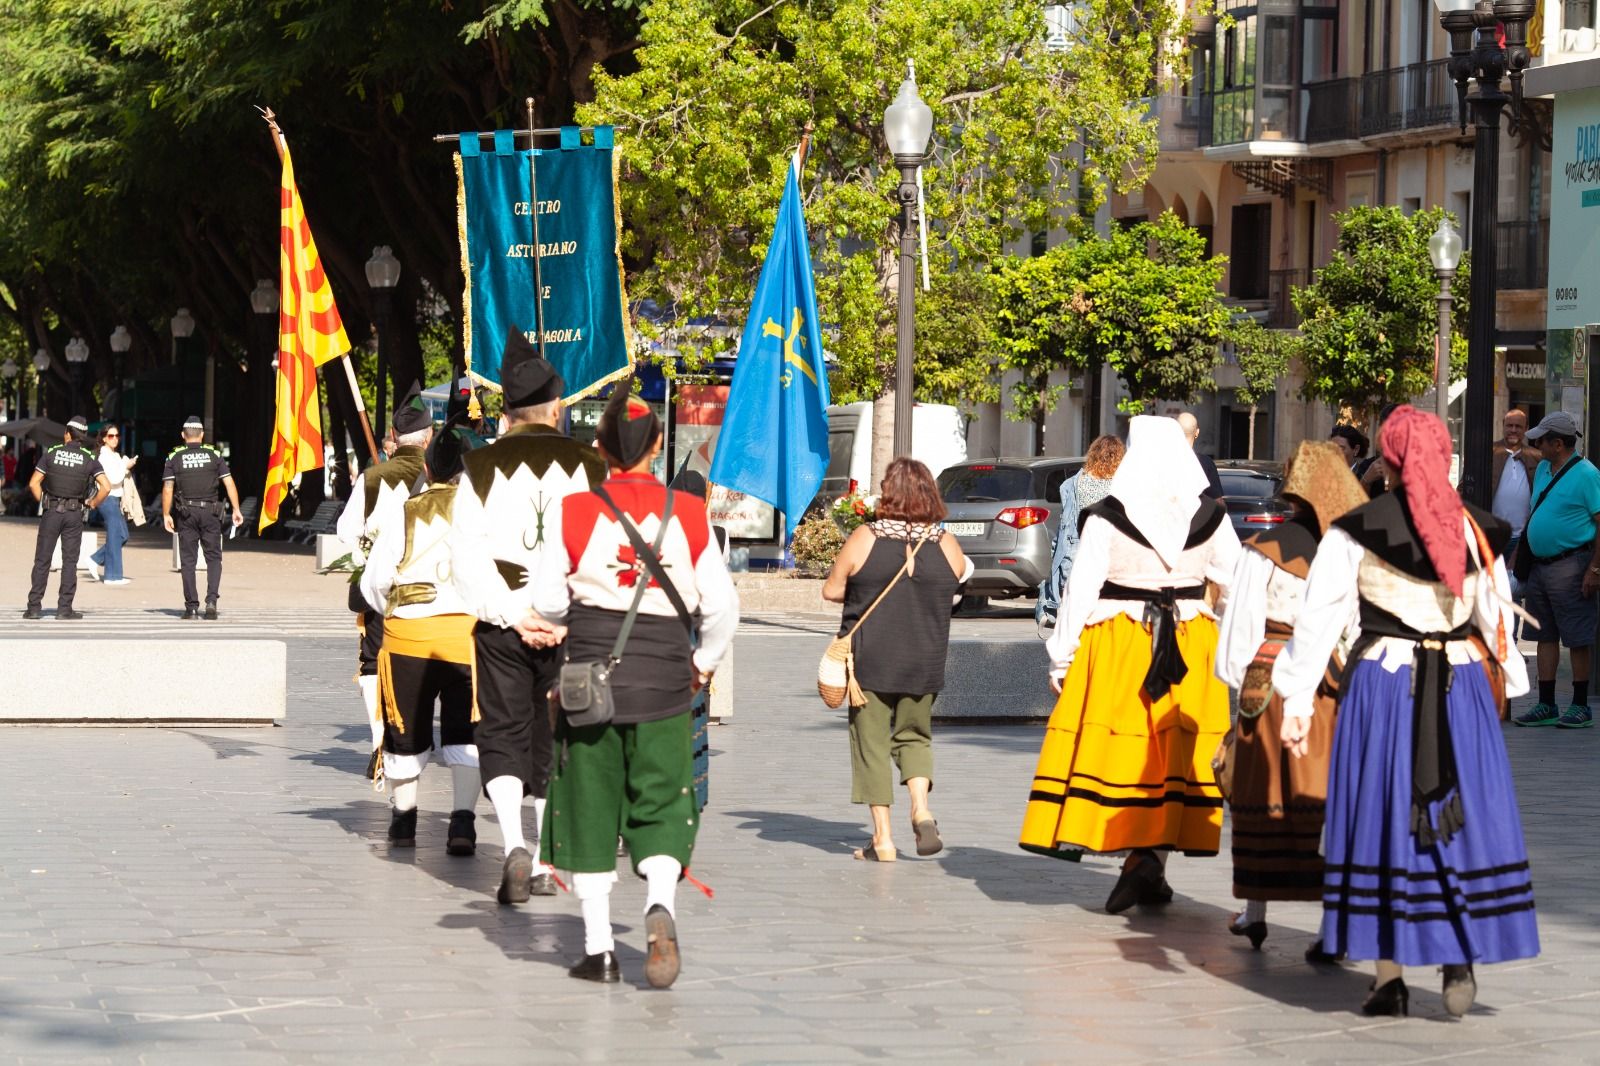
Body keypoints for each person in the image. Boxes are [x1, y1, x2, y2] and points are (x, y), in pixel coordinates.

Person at [1271, 405, 1536, 1018]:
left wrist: (1297, 700)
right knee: (1459, 821)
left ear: (1388, 459)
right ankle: (1457, 958)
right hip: (1461, 689)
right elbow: (1495, 620)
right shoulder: (1477, 529)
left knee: (1387, 819)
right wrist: (1514, 682)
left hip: (1385, 689)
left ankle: (1387, 978)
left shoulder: (1355, 530)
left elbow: (1320, 619)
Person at [529, 380, 738, 988]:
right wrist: (704, 661)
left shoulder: (574, 511)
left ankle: (599, 951)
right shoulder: (691, 514)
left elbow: (546, 600)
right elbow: (722, 607)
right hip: (668, 687)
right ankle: (660, 907)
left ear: (599, 446)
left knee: (589, 807)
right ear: (655, 447)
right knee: (663, 802)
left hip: (589, 686)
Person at [1019, 415, 1240, 912]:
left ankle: (1144, 863)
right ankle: (1147, 862)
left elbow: (1081, 590)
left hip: (1120, 641)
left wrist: (1061, 657)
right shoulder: (1210, 516)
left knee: (1124, 750)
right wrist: (1226, 632)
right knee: (1171, 754)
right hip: (1189, 639)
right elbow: (1234, 582)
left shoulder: (1107, 515)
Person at [449, 328, 607, 904]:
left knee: (503, 732)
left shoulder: (479, 467)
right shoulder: (593, 466)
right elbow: (605, 549)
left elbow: (464, 555)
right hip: (569, 620)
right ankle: (542, 859)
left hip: (502, 624)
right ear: (557, 407)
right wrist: (565, 615)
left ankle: (514, 841)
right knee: (555, 737)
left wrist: (512, 613)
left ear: (509, 413)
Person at [1213, 440, 1366, 956]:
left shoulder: (1264, 549)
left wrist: (1238, 678)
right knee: (1321, 795)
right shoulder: (1353, 551)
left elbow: (1241, 628)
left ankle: (1255, 913)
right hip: (1332, 683)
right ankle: (1332, 927)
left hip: (1267, 678)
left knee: (1260, 791)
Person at [822, 458, 972, 863]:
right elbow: (956, 586)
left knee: (871, 744)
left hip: (869, 661)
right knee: (915, 737)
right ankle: (921, 809)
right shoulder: (946, 543)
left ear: (889, 493)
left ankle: (883, 841)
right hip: (924, 659)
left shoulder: (865, 537)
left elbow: (832, 591)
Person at [359, 418, 481, 853]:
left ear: (427, 470)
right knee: (465, 734)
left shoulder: (403, 513)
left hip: (408, 639)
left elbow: (373, 585)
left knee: (404, 733)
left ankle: (404, 821)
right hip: (466, 642)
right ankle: (462, 823)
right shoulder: (483, 516)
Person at [337, 385, 432, 769]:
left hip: (381, 589)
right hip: (429, 591)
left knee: (373, 662)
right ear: (428, 437)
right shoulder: (443, 474)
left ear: (394, 438)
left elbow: (346, 530)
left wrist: (369, 549)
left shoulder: (373, 477)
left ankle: (380, 740)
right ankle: (412, 738)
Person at [1511, 410, 1600, 729]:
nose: (1536, 443)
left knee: (1576, 636)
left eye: (1542, 440)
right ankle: (1546, 703)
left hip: (1572, 565)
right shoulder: (1545, 469)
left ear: (1558, 443)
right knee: (1543, 634)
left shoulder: (1587, 475)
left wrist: (1595, 569)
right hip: (1540, 566)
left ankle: (1579, 705)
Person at [1036, 435, 1125, 631]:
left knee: (1078, 620)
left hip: (1076, 555)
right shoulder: (1122, 486)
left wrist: (1055, 559)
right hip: (1110, 557)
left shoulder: (1072, 484)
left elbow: (1064, 528)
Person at [24, 416, 110, 620]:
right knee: (69, 561)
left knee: (42, 560)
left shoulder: (51, 454)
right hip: (74, 514)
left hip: (51, 511)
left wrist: (43, 502)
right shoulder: (89, 458)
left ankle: (34, 607)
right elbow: (106, 486)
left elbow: (33, 483)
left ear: (68, 433)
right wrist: (93, 503)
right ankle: (64, 609)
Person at [161, 415, 244, 619]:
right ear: (202, 435)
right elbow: (229, 482)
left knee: (188, 561)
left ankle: (191, 608)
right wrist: (236, 509)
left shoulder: (174, 456)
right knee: (213, 558)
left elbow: (168, 488)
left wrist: (165, 514)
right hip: (211, 513)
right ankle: (211, 602)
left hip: (186, 513)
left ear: (183, 435)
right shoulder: (214, 454)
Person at [1489, 409, 1539, 571]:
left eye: (1518, 426)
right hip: (1493, 534)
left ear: (1526, 429)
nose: (1513, 430)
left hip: (1522, 537)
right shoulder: (1489, 452)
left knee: (1516, 586)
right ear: (1503, 426)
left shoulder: (1536, 457)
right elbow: (1465, 488)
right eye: (1509, 425)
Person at [90, 425, 135, 586]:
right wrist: (126, 466)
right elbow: (113, 479)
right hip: (106, 499)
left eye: (117, 436)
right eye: (110, 436)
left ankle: (96, 559)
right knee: (116, 535)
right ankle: (112, 576)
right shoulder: (103, 457)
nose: (115, 438)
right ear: (103, 438)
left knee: (123, 535)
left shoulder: (115, 455)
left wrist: (124, 463)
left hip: (115, 499)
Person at [1175, 411, 1224, 498]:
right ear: (1197, 432)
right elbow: (1218, 501)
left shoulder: (1161, 461)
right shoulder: (1206, 463)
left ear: (1175, 431)